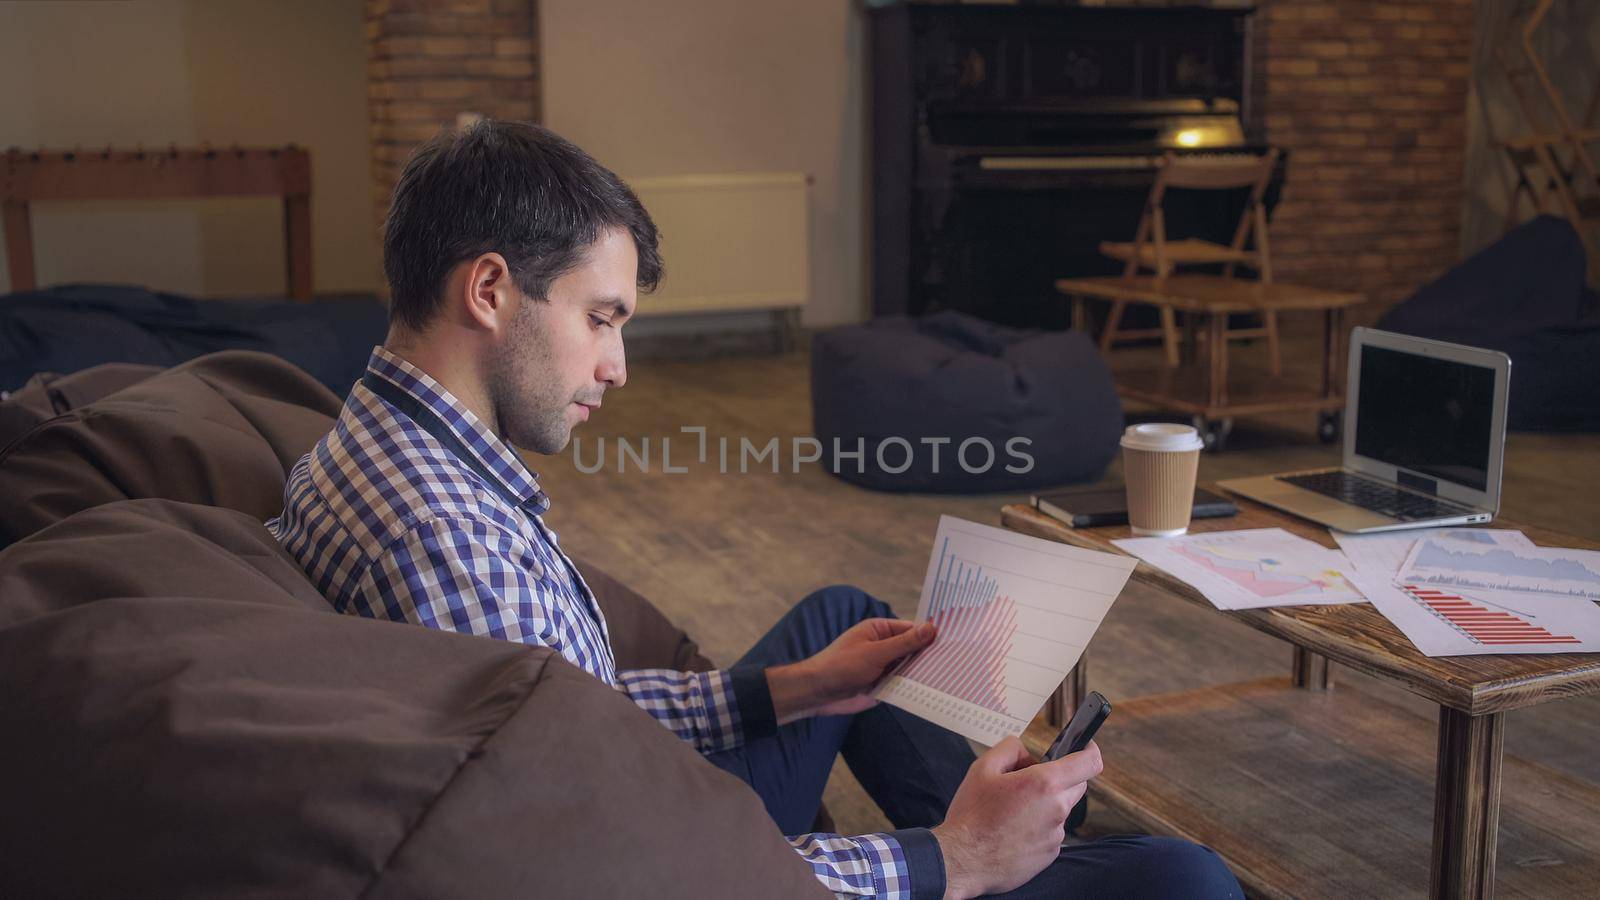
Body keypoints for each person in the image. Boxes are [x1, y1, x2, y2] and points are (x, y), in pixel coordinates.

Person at [269, 119, 1241, 900]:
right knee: (1184, 876)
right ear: (488, 289)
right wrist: (946, 861)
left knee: (840, 622)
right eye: (600, 318)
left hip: (639, 789)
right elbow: (626, 866)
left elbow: (559, 709)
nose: (616, 366)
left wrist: (786, 691)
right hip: (678, 847)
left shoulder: (378, 443)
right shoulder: (451, 540)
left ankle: (1012, 845)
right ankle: (1006, 858)